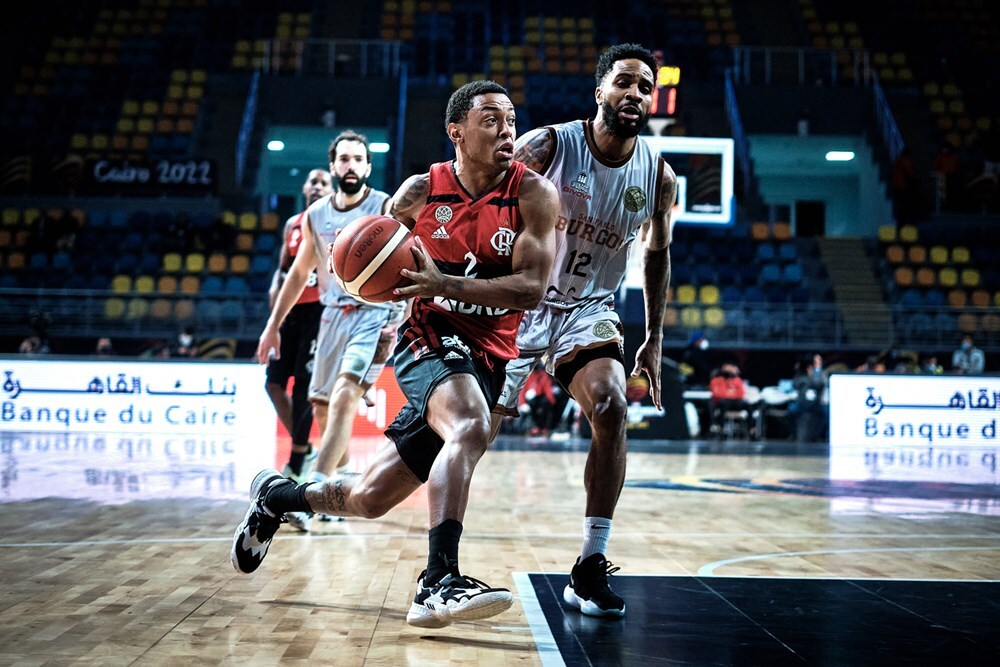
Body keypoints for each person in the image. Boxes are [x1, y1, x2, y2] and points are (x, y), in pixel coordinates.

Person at [231, 81, 560, 628]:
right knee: (470, 428)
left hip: (490, 354)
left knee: (370, 497)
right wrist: (383, 300)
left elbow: (529, 288)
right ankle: (438, 581)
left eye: (511, 120)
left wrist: (444, 282)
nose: (507, 131)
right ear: (456, 131)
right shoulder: (417, 193)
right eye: (492, 121)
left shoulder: (533, 194)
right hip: (426, 335)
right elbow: (371, 268)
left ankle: (278, 496)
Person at [492, 43, 676, 618]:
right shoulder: (550, 144)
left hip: (589, 308)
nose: (635, 94)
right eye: (624, 82)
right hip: (520, 303)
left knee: (613, 406)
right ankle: (440, 562)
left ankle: (590, 565)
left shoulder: (659, 177)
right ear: (599, 90)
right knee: (470, 435)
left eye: (645, 87)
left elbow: (657, 255)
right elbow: (484, 201)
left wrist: (655, 335)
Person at [254, 131, 397, 532]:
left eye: (358, 159)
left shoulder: (384, 205)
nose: (350, 166)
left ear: (368, 167)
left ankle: (309, 494)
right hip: (331, 315)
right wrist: (273, 327)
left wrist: (397, 317)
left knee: (345, 393)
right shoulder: (316, 215)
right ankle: (342, 484)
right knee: (321, 405)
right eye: (344, 159)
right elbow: (299, 274)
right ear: (333, 166)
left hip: (374, 314)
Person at [264, 168, 333, 483]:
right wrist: (272, 319)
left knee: (305, 386)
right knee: (274, 385)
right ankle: (305, 450)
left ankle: (297, 460)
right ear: (305, 188)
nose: (317, 186)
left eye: (323, 183)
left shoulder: (333, 223)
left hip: (318, 312)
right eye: (313, 182)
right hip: (289, 313)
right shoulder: (293, 223)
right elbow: (281, 271)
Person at [708, 362, 748, 435]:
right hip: (723, 403)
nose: (730, 370)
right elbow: (717, 394)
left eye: (731, 368)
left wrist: (729, 394)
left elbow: (741, 394)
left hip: (735, 402)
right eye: (727, 368)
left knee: (748, 404)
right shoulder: (716, 380)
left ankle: (752, 429)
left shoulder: (738, 380)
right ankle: (721, 428)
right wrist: (730, 393)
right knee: (722, 403)